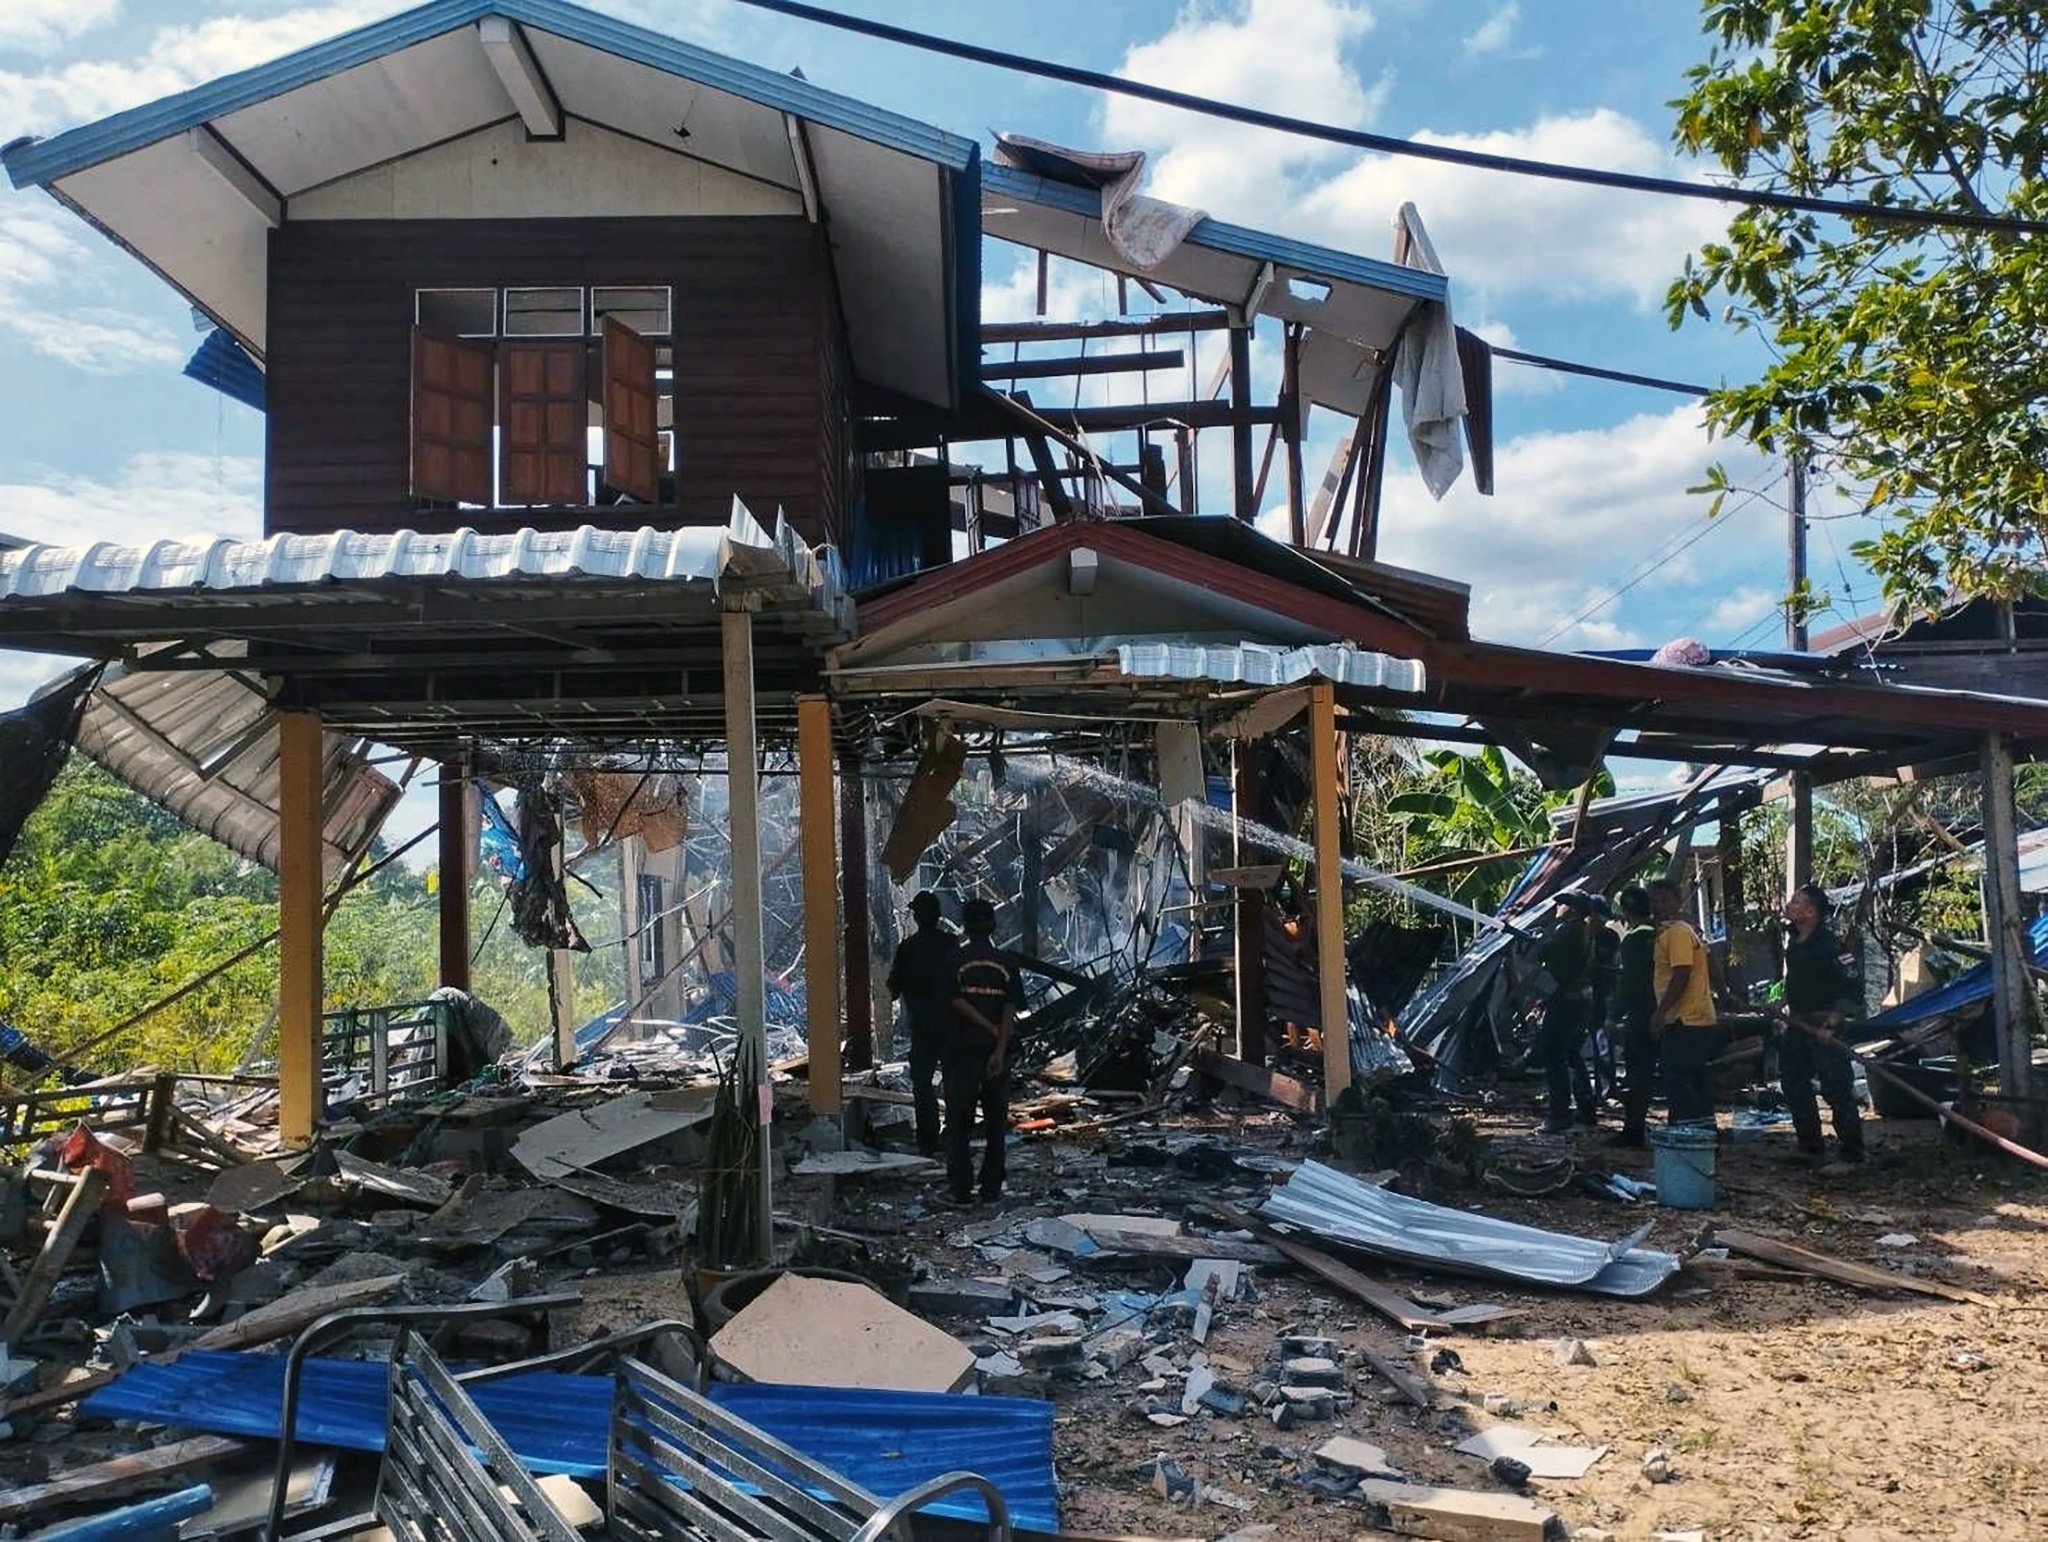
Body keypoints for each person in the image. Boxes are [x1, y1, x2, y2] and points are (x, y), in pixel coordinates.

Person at [1778, 882, 1866, 1165]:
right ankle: (1810, 1145)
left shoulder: (1830, 946)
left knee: (1836, 1088)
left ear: (1811, 911)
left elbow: (1852, 985)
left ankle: (1852, 1151)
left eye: (1796, 901)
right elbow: (1796, 982)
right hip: (1798, 1025)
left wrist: (1833, 1021)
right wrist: (1780, 1004)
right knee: (1793, 1083)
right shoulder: (1793, 942)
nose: (1790, 904)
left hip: (1825, 1026)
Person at [944, 897, 1022, 1205]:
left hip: (961, 1051)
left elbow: (955, 1001)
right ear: (993, 925)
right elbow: (1009, 1011)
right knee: (995, 1124)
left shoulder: (952, 961)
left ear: (965, 926)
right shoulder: (1006, 963)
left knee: (959, 1124)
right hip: (995, 1054)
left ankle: (961, 1189)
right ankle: (991, 1188)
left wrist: (987, 1030)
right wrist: (1000, 1048)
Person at [885, 892, 957, 1157]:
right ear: (938, 916)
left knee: (922, 1083)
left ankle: (928, 1139)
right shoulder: (951, 944)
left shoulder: (908, 948)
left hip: (922, 1026)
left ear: (915, 916)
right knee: (953, 1080)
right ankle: (953, 1133)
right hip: (951, 1024)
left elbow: (893, 988)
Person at [1648, 877, 1719, 1125]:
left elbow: (1682, 973)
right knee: (1694, 1078)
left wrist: (1660, 1012)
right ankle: (1703, 1132)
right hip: (1695, 1017)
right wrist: (1726, 993)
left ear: (1678, 902)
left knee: (1678, 1078)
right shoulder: (1682, 931)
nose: (1660, 906)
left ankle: (1688, 1133)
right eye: (1655, 902)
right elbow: (1710, 962)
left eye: (1665, 900)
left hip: (1685, 1019)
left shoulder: (1677, 932)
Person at [1536, 891, 1600, 1132]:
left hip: (1565, 1001)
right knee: (1572, 1055)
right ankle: (1586, 1109)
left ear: (1572, 908)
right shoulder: (1583, 931)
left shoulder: (1568, 930)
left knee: (1554, 1056)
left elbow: (1543, 952)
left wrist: (1540, 939)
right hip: (1579, 1001)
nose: (1557, 907)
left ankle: (1559, 1115)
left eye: (1562, 903)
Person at [1605, 886, 1660, 1147]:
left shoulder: (1635, 939)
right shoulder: (1660, 933)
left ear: (1625, 911)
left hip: (1642, 1014)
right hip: (1663, 1011)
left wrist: (1614, 1016)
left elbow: (1631, 983)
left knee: (1637, 1075)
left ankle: (1634, 1130)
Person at [1587, 894, 1621, 1100]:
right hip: (1583, 994)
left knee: (1602, 1044)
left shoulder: (1608, 937)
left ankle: (1607, 1090)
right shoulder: (1582, 934)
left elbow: (1610, 964)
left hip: (1602, 993)